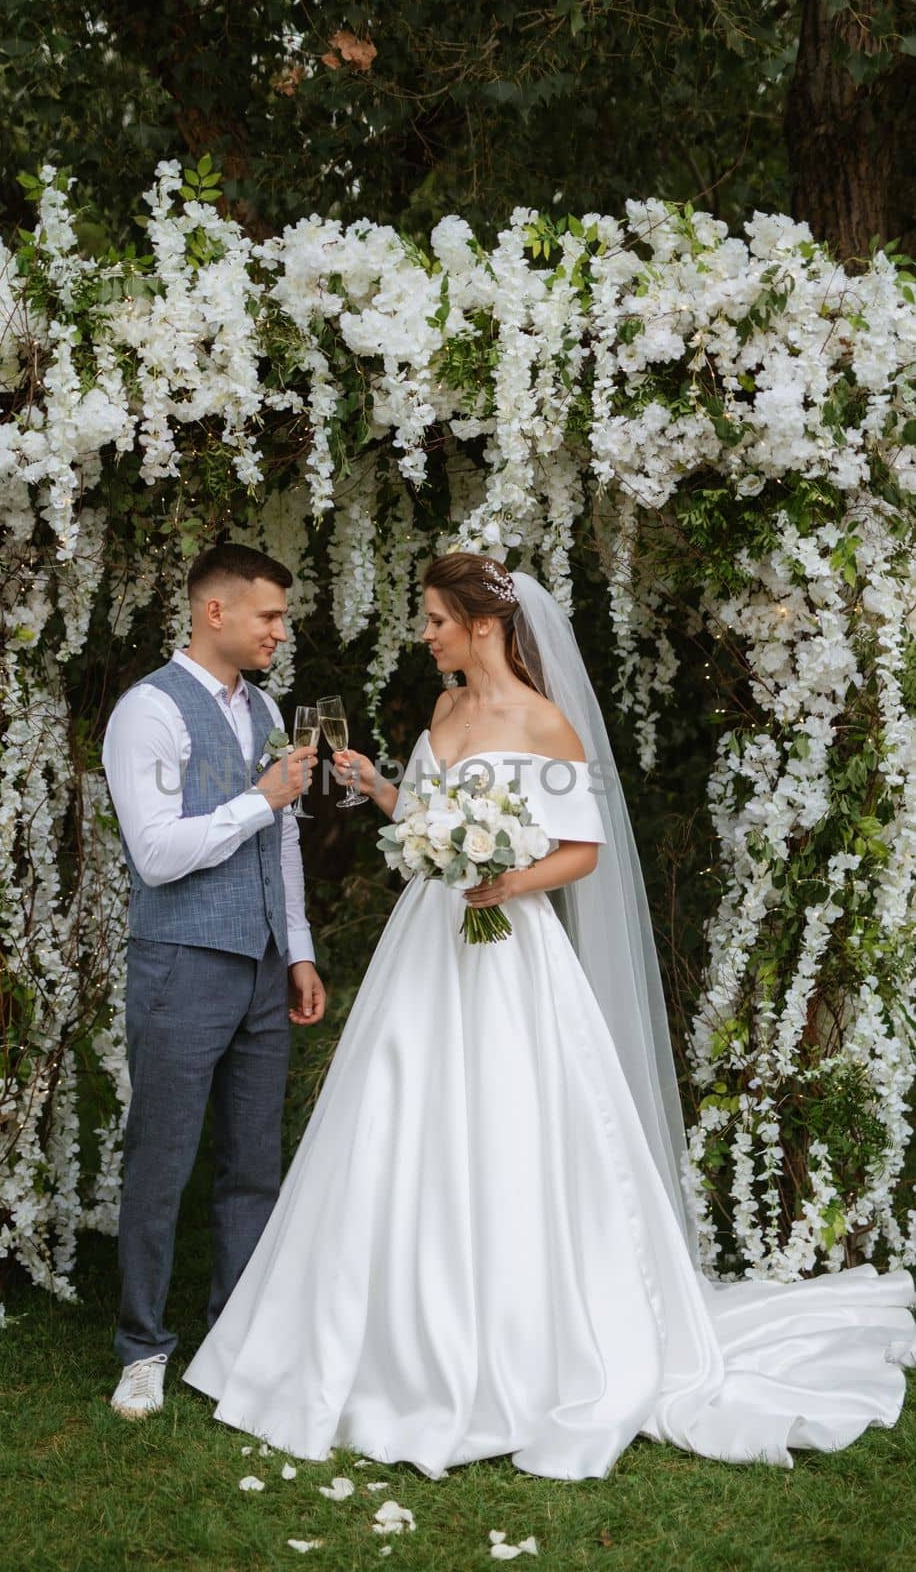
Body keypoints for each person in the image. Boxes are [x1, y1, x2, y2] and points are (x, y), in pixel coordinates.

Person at [182, 551, 916, 1479]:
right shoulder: (446, 711)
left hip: (509, 947)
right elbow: (428, 821)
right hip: (429, 943)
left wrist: (505, 881)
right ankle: (378, 1333)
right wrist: (381, 794)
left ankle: (518, 1337)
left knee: (511, 1124)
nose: (424, 633)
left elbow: (583, 853)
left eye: (435, 619)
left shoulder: (545, 723)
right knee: (396, 1116)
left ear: (482, 623)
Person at [102, 543, 326, 1420]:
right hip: (182, 963)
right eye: (269, 615)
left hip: (264, 966)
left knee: (252, 1165)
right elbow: (156, 856)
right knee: (161, 1160)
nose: (281, 630)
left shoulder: (265, 707)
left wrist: (298, 949)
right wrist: (261, 799)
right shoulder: (148, 712)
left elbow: (287, 838)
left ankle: (233, 1340)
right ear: (216, 613)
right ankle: (142, 1347)